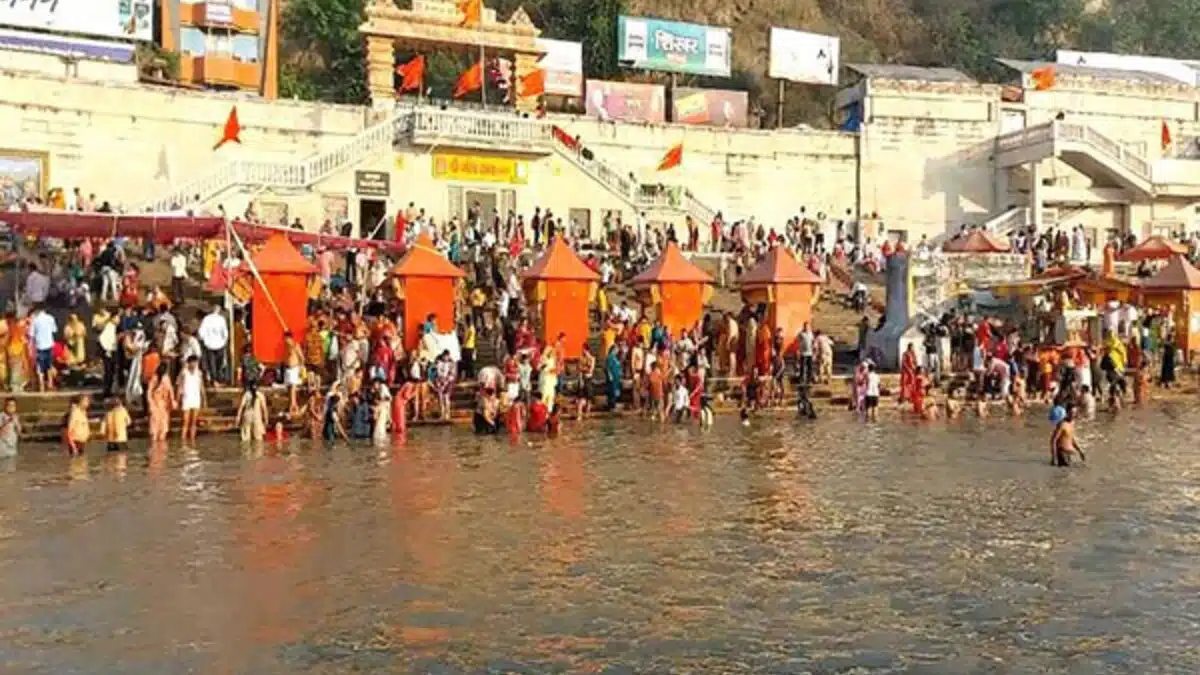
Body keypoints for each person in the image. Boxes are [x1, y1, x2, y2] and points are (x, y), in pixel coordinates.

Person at [28, 304, 57, 392]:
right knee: (49, 365)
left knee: (40, 367)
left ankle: (41, 385)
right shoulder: (50, 318)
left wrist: (30, 347)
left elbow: (31, 335)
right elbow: (54, 330)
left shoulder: (35, 320)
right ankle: (50, 383)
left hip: (39, 346)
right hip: (49, 345)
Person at [176, 356, 205, 442]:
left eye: (195, 362)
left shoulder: (199, 373)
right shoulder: (184, 373)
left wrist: (204, 398)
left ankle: (192, 440)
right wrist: (177, 399)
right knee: (185, 421)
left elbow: (201, 386)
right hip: (186, 398)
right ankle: (183, 441)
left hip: (196, 398)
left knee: (194, 422)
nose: (194, 364)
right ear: (189, 363)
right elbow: (179, 387)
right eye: (192, 362)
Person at [146, 364, 174, 441]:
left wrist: (172, 401)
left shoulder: (163, 378)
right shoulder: (156, 379)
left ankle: (156, 450)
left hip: (162, 405)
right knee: (159, 431)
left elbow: (170, 392)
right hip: (158, 405)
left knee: (160, 430)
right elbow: (170, 391)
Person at [283, 331, 304, 415]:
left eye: (286, 338)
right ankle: (290, 406)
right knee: (288, 389)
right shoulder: (286, 346)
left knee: (293, 389)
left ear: (289, 338)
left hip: (294, 368)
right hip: (288, 368)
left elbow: (301, 357)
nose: (285, 340)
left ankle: (293, 406)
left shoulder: (296, 345)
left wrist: (301, 367)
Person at [576, 343, 595, 421]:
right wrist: (580, 379)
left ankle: (587, 413)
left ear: (586, 349)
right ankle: (579, 415)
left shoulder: (592, 358)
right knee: (581, 398)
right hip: (583, 379)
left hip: (589, 378)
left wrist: (583, 369)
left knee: (589, 398)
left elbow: (591, 370)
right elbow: (579, 370)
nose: (582, 351)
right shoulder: (581, 358)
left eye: (583, 349)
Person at [604, 345, 623, 411]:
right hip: (612, 378)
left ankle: (613, 405)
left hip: (616, 377)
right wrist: (610, 376)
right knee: (612, 392)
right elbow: (607, 368)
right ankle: (611, 406)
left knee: (615, 391)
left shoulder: (615, 357)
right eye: (617, 349)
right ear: (613, 350)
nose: (617, 351)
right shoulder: (610, 357)